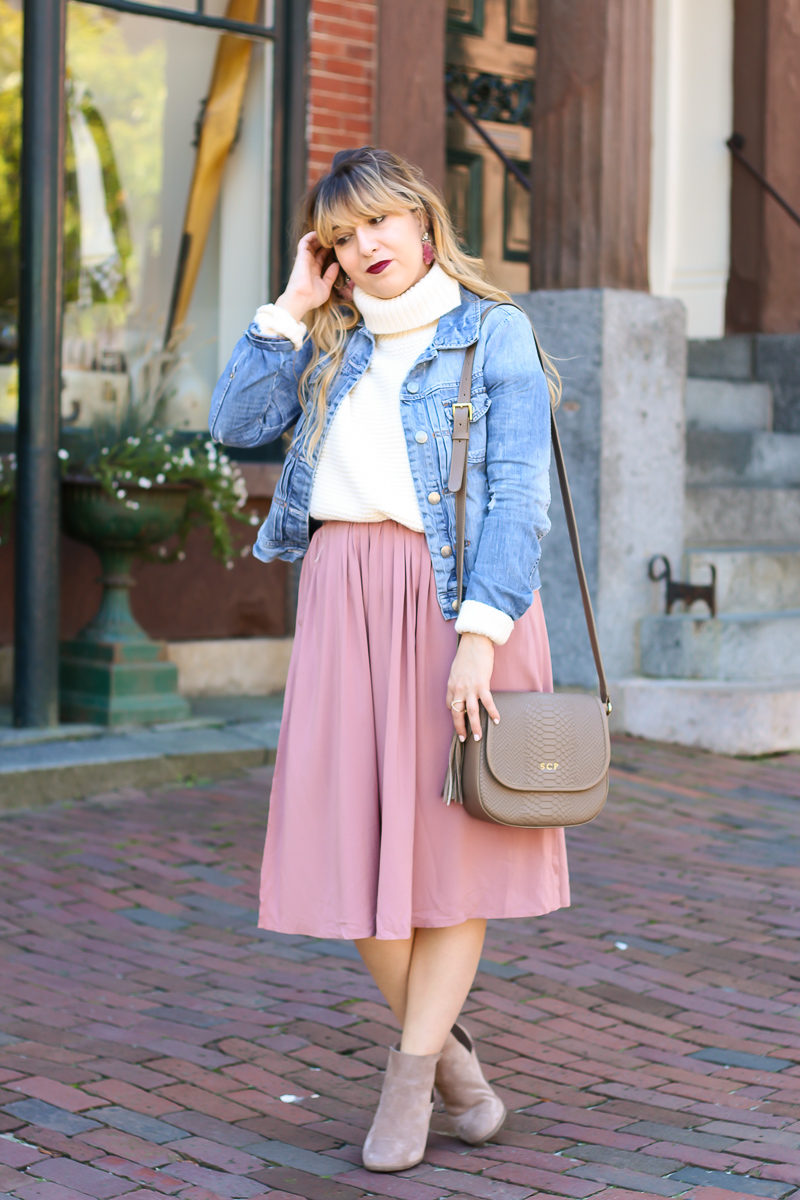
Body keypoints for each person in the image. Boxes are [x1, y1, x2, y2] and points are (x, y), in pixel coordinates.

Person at [209, 146, 569, 1173]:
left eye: (379, 222)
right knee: (343, 845)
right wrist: (285, 306)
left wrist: (477, 642)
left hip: (458, 605)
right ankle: (458, 1066)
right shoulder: (326, 341)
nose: (364, 246)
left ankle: (409, 1082)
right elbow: (233, 425)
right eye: (341, 234)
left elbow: (515, 498)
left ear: (421, 220)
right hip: (340, 603)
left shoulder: (492, 334)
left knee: (449, 860)